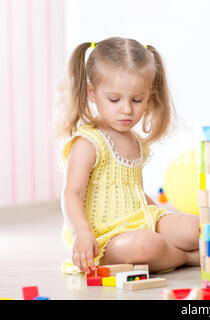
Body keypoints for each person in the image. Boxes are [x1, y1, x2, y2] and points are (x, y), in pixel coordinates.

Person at [56, 37, 199, 274]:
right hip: (106, 236)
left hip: (142, 220)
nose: (127, 109)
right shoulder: (88, 142)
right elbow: (71, 193)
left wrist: (164, 219)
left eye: (137, 100)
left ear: (148, 95)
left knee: (197, 227)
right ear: (92, 93)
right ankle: (187, 257)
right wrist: (82, 233)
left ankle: (176, 250)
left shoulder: (135, 140)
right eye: (114, 99)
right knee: (146, 245)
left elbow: (133, 191)